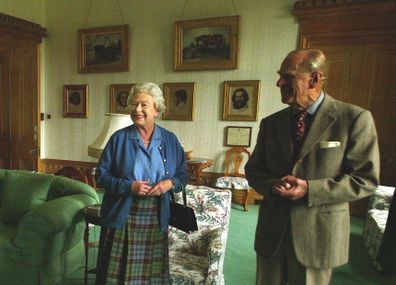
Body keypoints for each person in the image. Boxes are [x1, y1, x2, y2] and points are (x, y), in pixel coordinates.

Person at [245, 49, 380, 285]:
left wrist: (310, 189)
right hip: (272, 233)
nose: (279, 82)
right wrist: (272, 184)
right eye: (280, 76)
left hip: (318, 236)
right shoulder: (271, 123)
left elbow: (365, 180)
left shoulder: (354, 119)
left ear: (315, 79)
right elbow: (254, 170)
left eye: (288, 76)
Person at [95, 82, 188, 284]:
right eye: (134, 104)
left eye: (144, 105)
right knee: (116, 275)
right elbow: (101, 176)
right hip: (123, 213)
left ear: (157, 110)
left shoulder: (171, 140)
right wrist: (129, 187)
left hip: (156, 214)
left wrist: (169, 184)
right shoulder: (118, 139)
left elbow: (183, 176)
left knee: (150, 276)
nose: (137, 110)